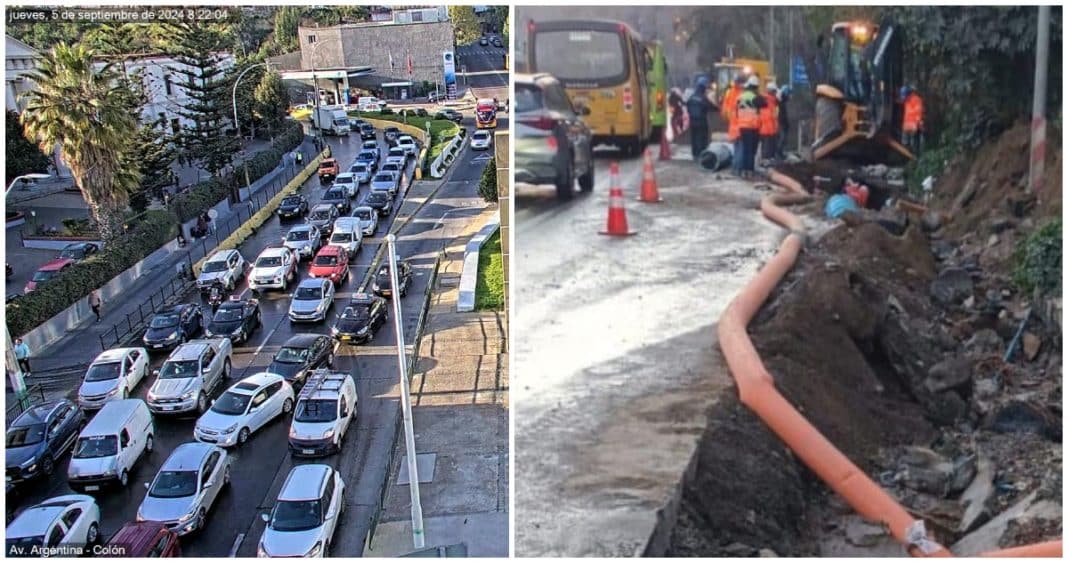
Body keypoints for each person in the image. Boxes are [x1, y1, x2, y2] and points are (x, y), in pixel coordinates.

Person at [735, 75, 767, 179]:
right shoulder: (755, 97)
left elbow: (736, 111)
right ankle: (750, 171)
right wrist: (759, 94)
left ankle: (744, 170)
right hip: (752, 127)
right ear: (756, 87)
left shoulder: (740, 96)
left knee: (746, 149)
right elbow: (764, 103)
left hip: (743, 126)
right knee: (751, 150)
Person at [685, 76, 713, 160]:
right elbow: (709, 106)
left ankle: (695, 154)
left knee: (694, 138)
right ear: (704, 87)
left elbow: (688, 106)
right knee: (702, 138)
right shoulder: (703, 98)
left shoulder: (692, 97)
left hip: (693, 121)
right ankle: (701, 154)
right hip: (701, 121)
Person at [722, 75, 744, 176]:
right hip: (741, 125)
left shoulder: (729, 92)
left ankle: (734, 168)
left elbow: (724, 109)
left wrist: (727, 117)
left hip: (733, 125)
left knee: (736, 148)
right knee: (740, 148)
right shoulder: (742, 94)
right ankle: (737, 169)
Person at [759, 81, 780, 164]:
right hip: (768, 128)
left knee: (767, 145)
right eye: (774, 91)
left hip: (767, 127)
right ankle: (766, 159)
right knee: (767, 145)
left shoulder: (767, 100)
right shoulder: (769, 101)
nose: (775, 93)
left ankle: (767, 159)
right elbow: (770, 116)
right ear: (772, 91)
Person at [901, 86, 924, 156]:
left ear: (909, 94)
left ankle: (916, 157)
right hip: (907, 126)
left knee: (915, 143)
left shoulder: (916, 100)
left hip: (914, 126)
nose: (904, 99)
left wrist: (917, 124)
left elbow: (918, 113)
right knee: (906, 143)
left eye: (905, 97)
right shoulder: (907, 101)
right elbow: (907, 114)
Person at [777, 85, 792, 159]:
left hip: (782, 122)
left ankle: (780, 153)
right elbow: (781, 114)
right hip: (781, 122)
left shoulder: (782, 101)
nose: (789, 96)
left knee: (783, 138)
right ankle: (778, 153)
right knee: (782, 138)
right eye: (789, 94)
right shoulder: (780, 101)